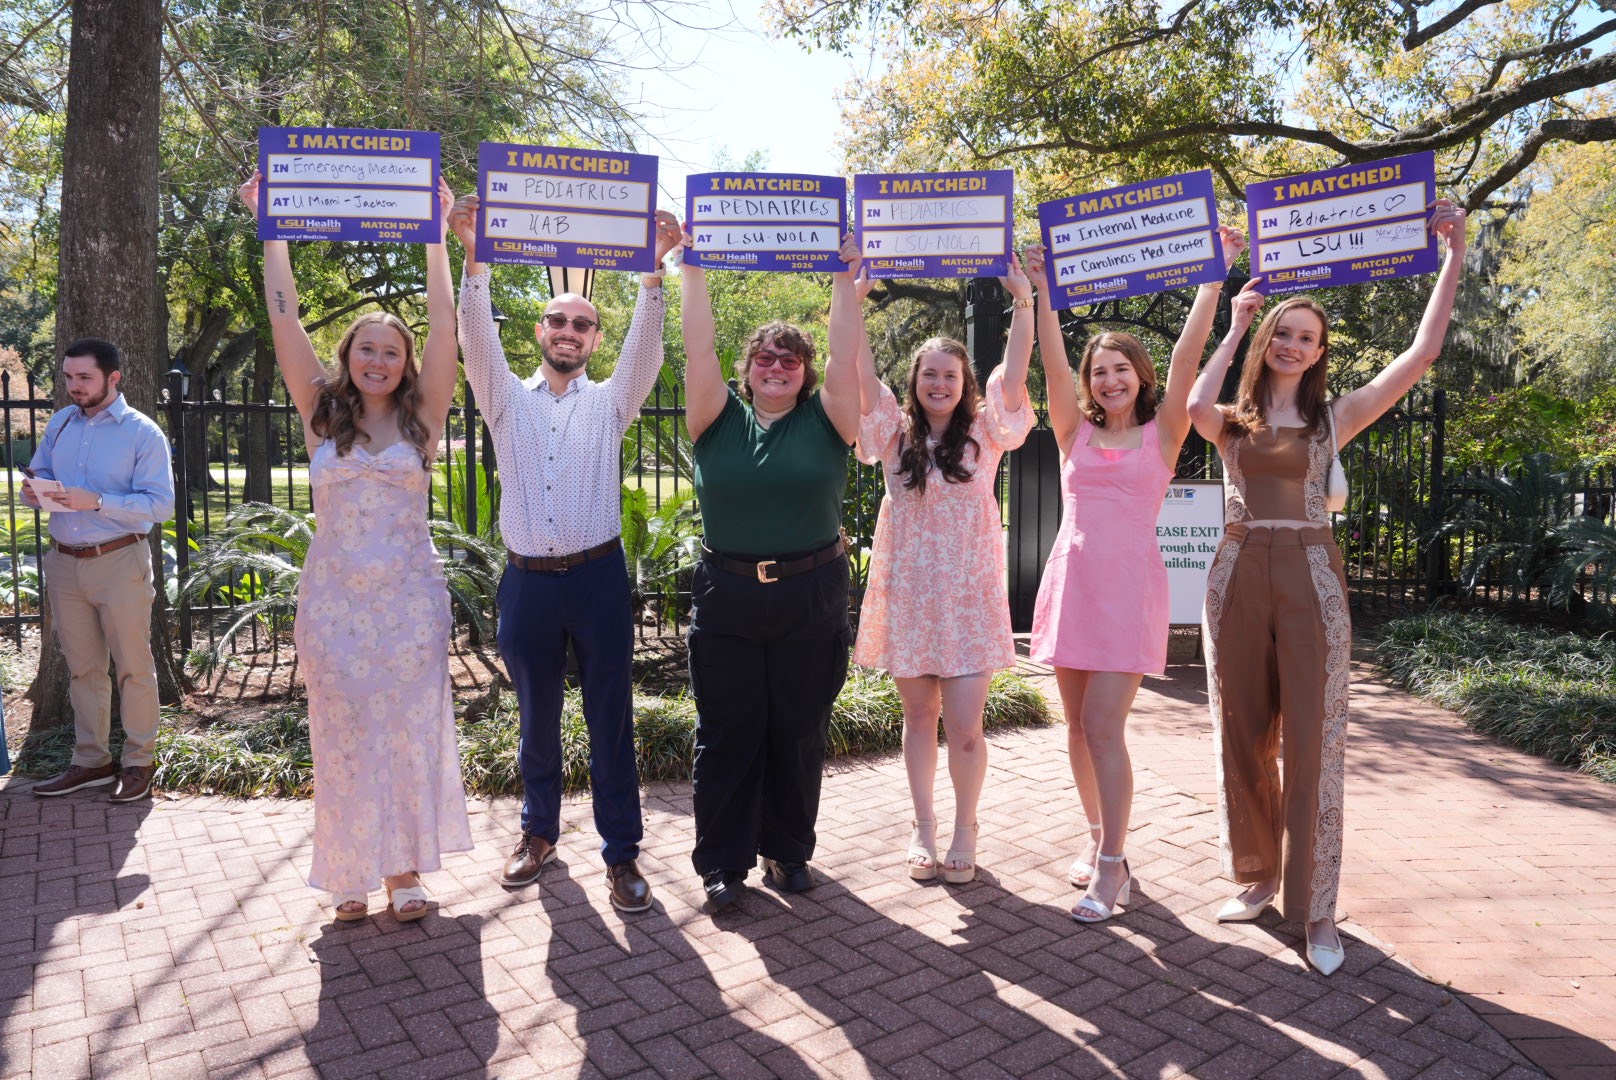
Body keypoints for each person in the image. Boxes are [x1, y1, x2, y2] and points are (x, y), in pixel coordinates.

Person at [1187, 201, 1467, 974]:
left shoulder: (1334, 419)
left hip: (1311, 574)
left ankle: (1315, 910)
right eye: (1284, 332)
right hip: (1238, 571)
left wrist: (1454, 253)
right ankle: (1254, 877)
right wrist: (1236, 320)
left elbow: (1420, 353)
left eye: (1307, 338)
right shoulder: (1233, 420)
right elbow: (1188, 404)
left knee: (1313, 743)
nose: (1294, 345)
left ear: (1319, 353)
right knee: (1240, 733)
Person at [238, 171, 470, 923]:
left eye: (390, 353)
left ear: (404, 366)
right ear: (349, 356)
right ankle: (348, 873)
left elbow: (444, 326)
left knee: (405, 732)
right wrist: (271, 226)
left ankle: (404, 872)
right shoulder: (322, 414)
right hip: (335, 604)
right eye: (366, 349)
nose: (378, 360)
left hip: (408, 604)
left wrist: (434, 234)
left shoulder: (422, 419)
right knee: (340, 737)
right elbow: (283, 321)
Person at [448, 195, 683, 912]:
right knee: (536, 719)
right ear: (540, 331)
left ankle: (622, 855)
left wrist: (651, 276)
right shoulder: (502, 398)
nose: (570, 330)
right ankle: (538, 835)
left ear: (595, 338)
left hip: (599, 580)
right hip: (528, 586)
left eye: (583, 324)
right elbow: (471, 334)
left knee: (609, 719)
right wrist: (473, 255)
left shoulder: (612, 402)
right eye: (558, 320)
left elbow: (648, 348)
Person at [1027, 227, 1246, 923]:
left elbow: (1188, 358)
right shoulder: (1073, 431)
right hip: (1072, 583)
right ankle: (1097, 841)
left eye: (1121, 370)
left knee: (1102, 726)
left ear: (1140, 378)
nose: (1108, 380)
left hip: (1129, 592)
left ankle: (1115, 867)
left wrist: (1214, 279)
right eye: (1100, 372)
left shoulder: (1165, 433)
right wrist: (1041, 293)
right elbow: (1053, 367)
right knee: (1074, 730)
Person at [843, 240, 1035, 885]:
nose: (939, 383)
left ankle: (965, 828)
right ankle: (923, 829)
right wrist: (854, 300)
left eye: (950, 375)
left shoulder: (986, 432)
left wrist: (1024, 303)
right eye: (929, 374)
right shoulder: (891, 434)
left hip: (970, 599)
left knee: (967, 728)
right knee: (919, 719)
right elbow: (859, 375)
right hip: (911, 598)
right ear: (915, 381)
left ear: (965, 383)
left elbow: (1016, 370)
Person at [679, 227, 860, 910]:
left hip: (811, 593)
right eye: (765, 357)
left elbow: (846, 353)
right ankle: (722, 864)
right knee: (726, 733)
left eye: (790, 359)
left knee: (799, 729)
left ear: (805, 373)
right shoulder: (715, 417)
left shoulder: (828, 418)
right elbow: (697, 347)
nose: (777, 366)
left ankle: (787, 851)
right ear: (747, 366)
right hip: (725, 593)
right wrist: (691, 270)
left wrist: (845, 276)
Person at [25, 337, 174, 803]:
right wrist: (35, 490)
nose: (74, 387)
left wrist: (99, 501)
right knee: (83, 670)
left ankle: (138, 762)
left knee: (134, 667)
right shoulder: (62, 423)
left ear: (114, 378)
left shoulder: (142, 432)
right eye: (69, 377)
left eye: (84, 378)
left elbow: (161, 505)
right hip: (65, 562)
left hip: (119, 559)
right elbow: (38, 470)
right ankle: (91, 761)